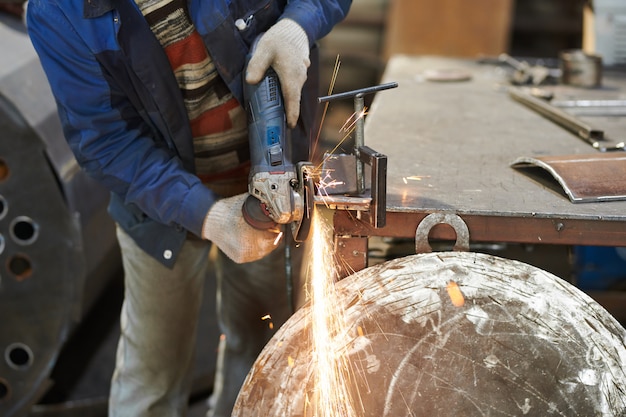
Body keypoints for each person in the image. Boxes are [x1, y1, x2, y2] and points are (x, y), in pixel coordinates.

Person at [26, 0, 351, 416]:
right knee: (152, 377)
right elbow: (106, 144)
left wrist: (297, 24)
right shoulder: (57, 12)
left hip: (274, 190)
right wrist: (208, 216)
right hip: (156, 204)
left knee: (264, 353)